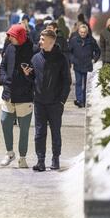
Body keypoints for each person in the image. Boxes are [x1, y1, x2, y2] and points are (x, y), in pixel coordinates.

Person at [26, 29, 71, 171]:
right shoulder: (35, 58)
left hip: (55, 103)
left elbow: (67, 82)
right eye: (40, 38)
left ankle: (55, 158)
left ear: (51, 42)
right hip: (39, 102)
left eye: (42, 39)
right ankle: (40, 161)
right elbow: (33, 80)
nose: (40, 41)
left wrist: (62, 101)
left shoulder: (61, 59)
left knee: (55, 132)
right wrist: (28, 75)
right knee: (39, 132)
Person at [0, 24, 35, 168]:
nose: (9, 38)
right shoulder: (9, 48)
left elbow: (36, 74)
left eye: (12, 36)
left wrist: (29, 75)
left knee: (24, 128)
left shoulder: (32, 50)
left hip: (25, 95)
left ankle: (22, 157)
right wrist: (3, 79)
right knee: (5, 121)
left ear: (20, 36)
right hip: (8, 93)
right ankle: (9, 152)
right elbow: (3, 65)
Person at [67, 23, 100, 108]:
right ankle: (79, 100)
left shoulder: (91, 40)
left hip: (87, 65)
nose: (83, 34)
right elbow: (69, 51)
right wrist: (73, 59)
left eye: (84, 32)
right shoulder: (74, 40)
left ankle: (84, 100)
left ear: (87, 32)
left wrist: (94, 59)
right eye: (81, 32)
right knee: (78, 83)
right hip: (77, 65)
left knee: (85, 84)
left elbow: (98, 51)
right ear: (78, 32)